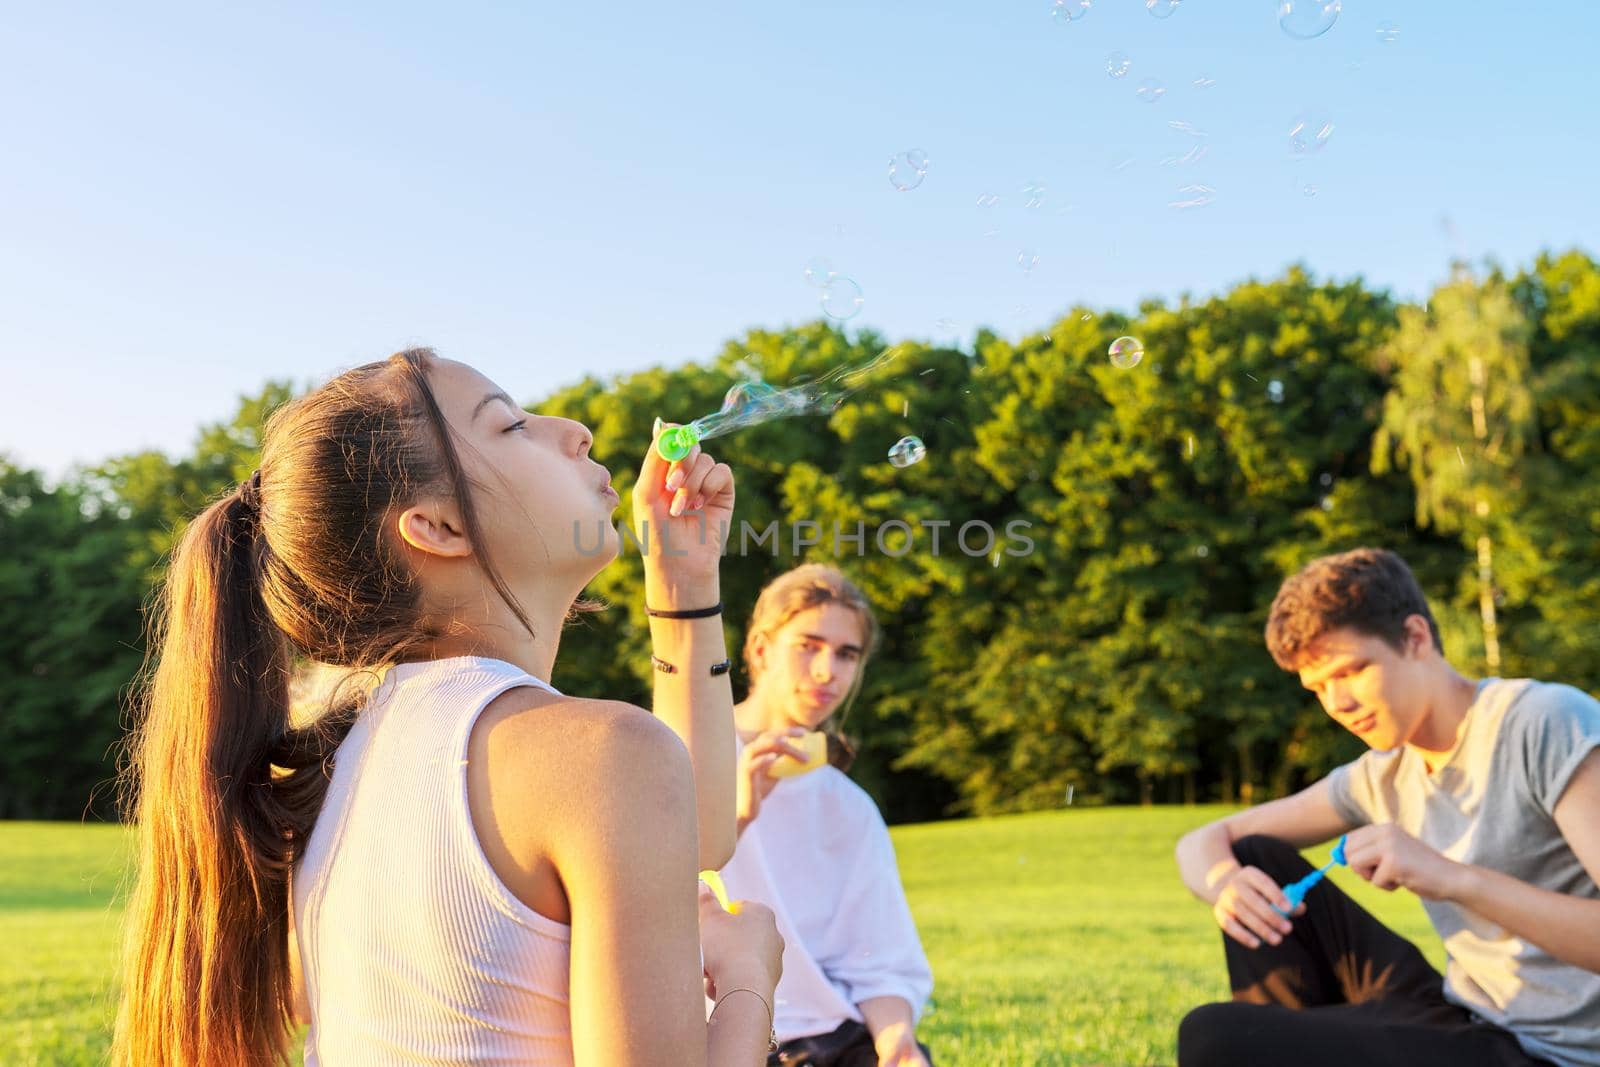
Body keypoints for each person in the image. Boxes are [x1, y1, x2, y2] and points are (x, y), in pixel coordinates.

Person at [111, 348, 785, 1066]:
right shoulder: (598, 752)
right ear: (437, 526)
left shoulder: (334, 754)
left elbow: (695, 834)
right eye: (512, 426)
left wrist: (683, 578)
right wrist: (747, 982)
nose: (575, 430)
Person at [1174, 547, 1600, 1067]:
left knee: (1213, 1037)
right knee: (1256, 857)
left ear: (1415, 637)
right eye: (1318, 687)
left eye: (1351, 671)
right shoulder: (1383, 774)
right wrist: (1224, 884)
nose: (1338, 703)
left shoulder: (1543, 721)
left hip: (1556, 1056)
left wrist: (1448, 877)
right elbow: (1203, 842)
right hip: (1468, 1018)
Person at [714, 563, 935, 1067]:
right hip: (720, 1039)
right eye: (808, 645)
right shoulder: (684, 754)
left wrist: (897, 1043)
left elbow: (881, 962)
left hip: (832, 1042)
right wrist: (735, 818)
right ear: (761, 649)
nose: (825, 672)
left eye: (846, 654)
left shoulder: (849, 806)